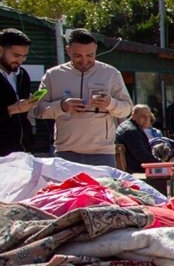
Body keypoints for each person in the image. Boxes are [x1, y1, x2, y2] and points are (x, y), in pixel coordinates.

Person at [33, 28, 133, 167]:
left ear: (96, 50)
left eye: (90, 55)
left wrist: (110, 103)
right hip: (65, 152)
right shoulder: (52, 75)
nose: (85, 60)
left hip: (102, 154)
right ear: (68, 51)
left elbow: (127, 109)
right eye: (78, 56)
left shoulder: (111, 74)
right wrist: (62, 106)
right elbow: (38, 110)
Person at [0, 28, 36, 174]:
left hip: (20, 154)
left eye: (24, 56)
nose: (20, 61)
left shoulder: (21, 74)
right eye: (16, 55)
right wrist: (11, 110)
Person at [115, 105, 174, 195]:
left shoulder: (130, 127)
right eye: (143, 116)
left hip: (138, 165)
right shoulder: (131, 131)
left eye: (148, 117)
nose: (146, 119)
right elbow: (143, 156)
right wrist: (162, 164)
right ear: (134, 115)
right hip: (138, 168)